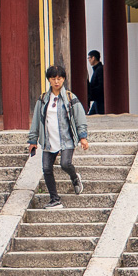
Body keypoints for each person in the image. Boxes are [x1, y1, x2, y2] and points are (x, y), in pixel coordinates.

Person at [29, 63, 90, 210]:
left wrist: (83, 137)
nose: (57, 81)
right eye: (53, 78)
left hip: (66, 139)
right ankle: (55, 199)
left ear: (63, 80)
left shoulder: (70, 97)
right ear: (49, 80)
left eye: (60, 78)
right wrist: (33, 140)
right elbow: (37, 120)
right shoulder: (43, 99)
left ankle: (75, 178)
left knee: (65, 164)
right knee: (47, 168)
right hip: (49, 140)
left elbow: (79, 118)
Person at [86, 49, 105, 116]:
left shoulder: (99, 70)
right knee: (91, 116)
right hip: (97, 100)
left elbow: (100, 86)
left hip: (100, 100)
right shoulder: (98, 69)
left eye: (89, 58)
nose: (89, 60)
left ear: (93, 58)